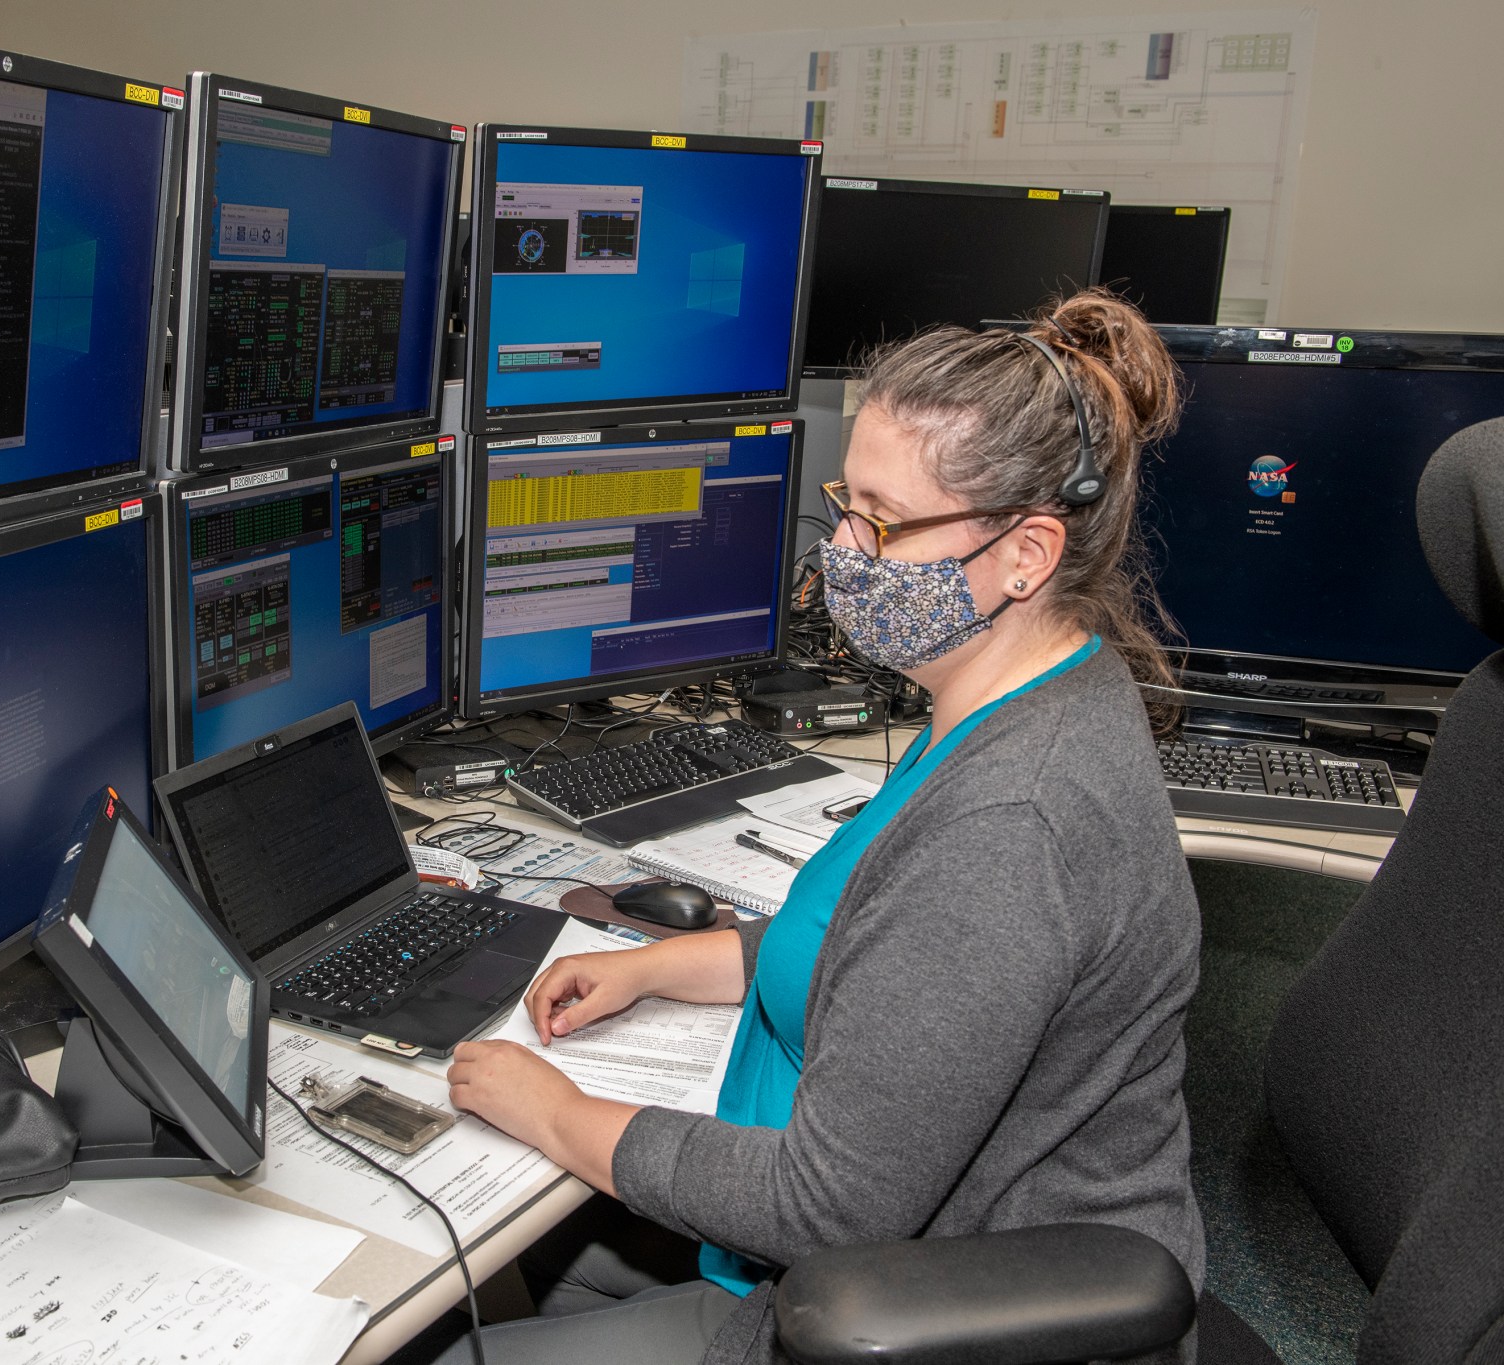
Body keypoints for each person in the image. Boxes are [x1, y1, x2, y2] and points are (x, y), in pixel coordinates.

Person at [436, 289, 1205, 1365]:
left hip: (944, 1304)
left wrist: (554, 1112)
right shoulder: (1029, 691)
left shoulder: (1012, 824)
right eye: (845, 503)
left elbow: (826, 1208)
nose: (838, 552)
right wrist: (661, 966)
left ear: (1026, 554)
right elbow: (887, 950)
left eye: (880, 524)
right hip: (915, 1240)